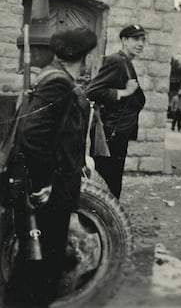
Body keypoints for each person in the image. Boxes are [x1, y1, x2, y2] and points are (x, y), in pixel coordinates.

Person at [4, 26, 97, 307]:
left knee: (36, 264)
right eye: (89, 55)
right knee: (38, 270)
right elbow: (32, 135)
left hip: (47, 189)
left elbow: (59, 131)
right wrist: (43, 182)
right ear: (82, 57)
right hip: (46, 196)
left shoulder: (51, 76)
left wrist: (79, 162)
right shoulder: (59, 83)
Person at [86, 24, 146, 199]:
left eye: (143, 40)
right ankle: (103, 221)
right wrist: (123, 92)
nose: (141, 44)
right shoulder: (116, 61)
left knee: (111, 182)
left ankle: (106, 220)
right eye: (136, 39)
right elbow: (92, 91)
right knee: (107, 183)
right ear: (124, 41)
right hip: (110, 134)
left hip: (117, 133)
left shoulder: (125, 63)